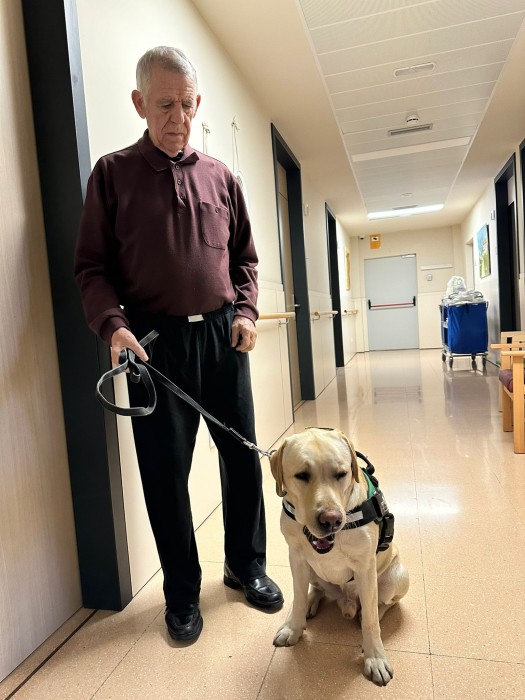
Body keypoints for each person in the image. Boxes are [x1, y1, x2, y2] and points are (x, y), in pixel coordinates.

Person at [74, 46, 283, 643]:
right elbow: (91, 268)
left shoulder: (221, 177)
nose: (179, 117)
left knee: (240, 457)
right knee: (165, 473)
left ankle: (246, 566)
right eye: (165, 105)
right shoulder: (112, 175)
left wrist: (246, 311)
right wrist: (113, 325)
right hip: (153, 345)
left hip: (221, 337)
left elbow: (245, 261)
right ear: (139, 103)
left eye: (188, 104)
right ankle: (182, 593)